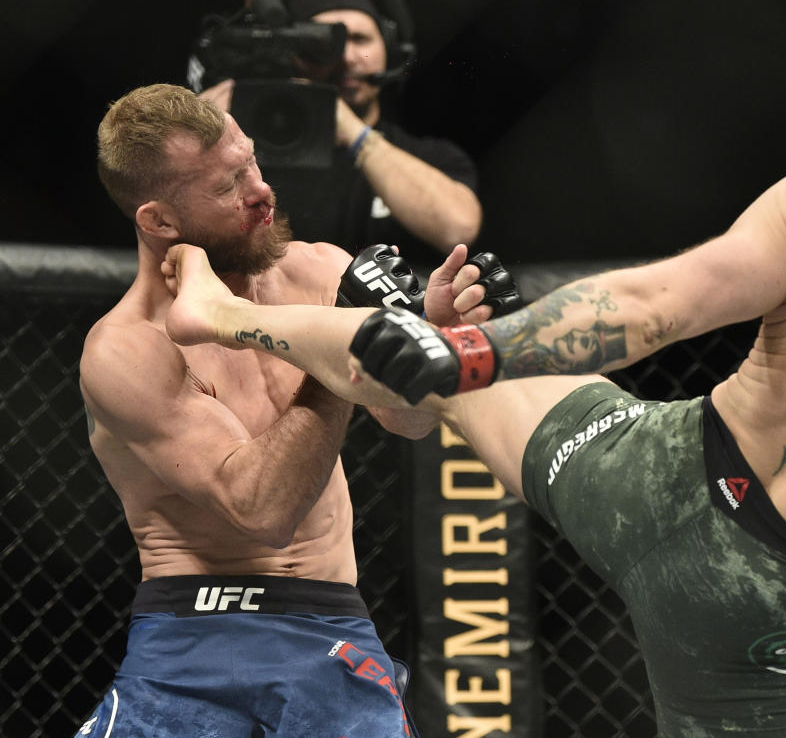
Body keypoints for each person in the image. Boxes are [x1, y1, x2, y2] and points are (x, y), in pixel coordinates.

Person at [159, 0, 786, 736]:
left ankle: (297, 319)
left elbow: (647, 308)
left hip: (657, 478)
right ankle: (418, 348)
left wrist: (471, 346)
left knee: (461, 370)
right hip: (767, 605)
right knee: (458, 374)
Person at [77, 82, 503, 737]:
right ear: (159, 221)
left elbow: (408, 421)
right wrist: (347, 352)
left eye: (251, 162)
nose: (261, 191)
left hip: (331, 624)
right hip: (192, 639)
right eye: (227, 186)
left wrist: (428, 349)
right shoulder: (126, 349)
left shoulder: (319, 270)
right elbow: (262, 508)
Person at [200, 0, 481, 263]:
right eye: (323, 43)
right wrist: (197, 138)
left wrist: (354, 132)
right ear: (295, 55)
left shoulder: (432, 157)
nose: (346, 57)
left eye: (360, 39)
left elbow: (458, 230)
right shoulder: (249, 158)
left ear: (390, 50)